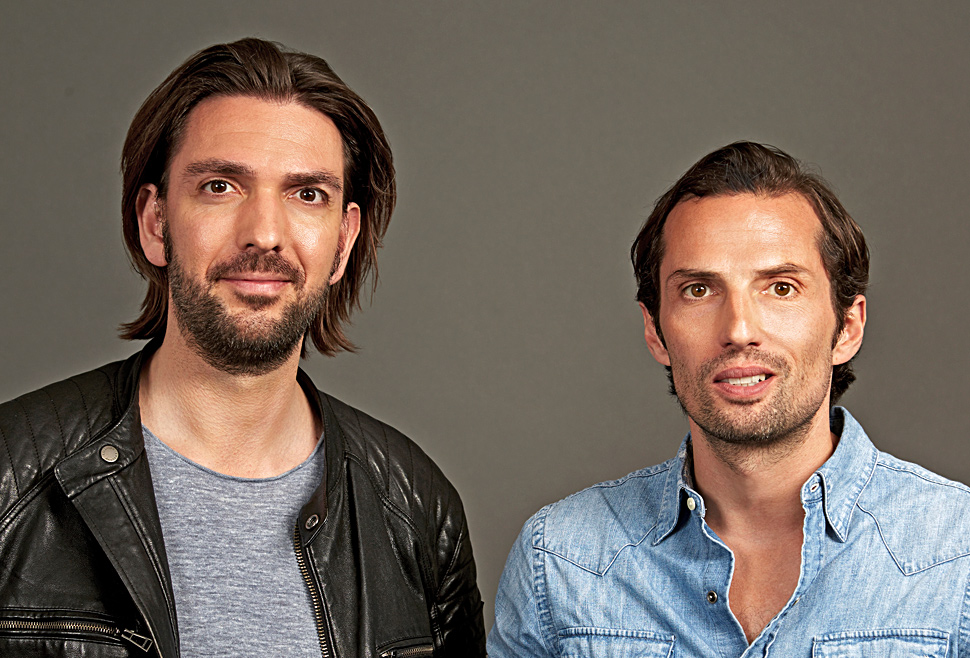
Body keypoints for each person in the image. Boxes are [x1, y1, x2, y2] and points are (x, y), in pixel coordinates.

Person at [0, 38, 484, 657]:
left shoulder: (416, 508)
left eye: (307, 194)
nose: (264, 234)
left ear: (342, 242)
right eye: (221, 186)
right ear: (155, 222)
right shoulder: (11, 480)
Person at [488, 141, 970, 656]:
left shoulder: (959, 553)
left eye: (781, 287)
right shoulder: (559, 562)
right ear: (655, 332)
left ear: (847, 327)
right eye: (699, 290)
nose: (739, 330)